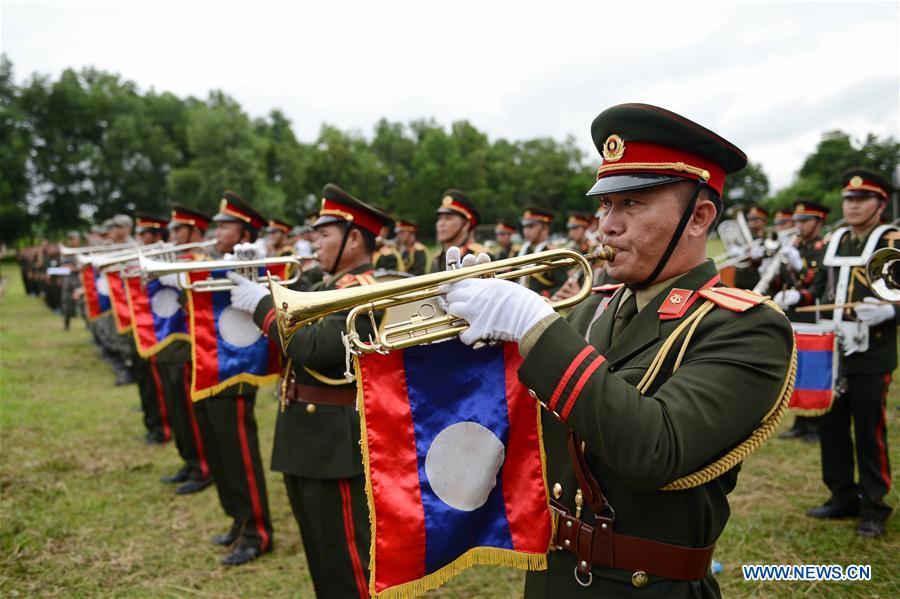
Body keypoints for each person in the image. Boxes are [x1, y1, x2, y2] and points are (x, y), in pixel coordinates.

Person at [444, 103, 794, 597]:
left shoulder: (745, 326)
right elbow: (529, 429)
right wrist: (471, 338)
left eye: (632, 204)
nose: (607, 225)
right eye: (605, 205)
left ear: (698, 217)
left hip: (647, 585)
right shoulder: (595, 308)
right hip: (552, 574)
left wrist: (532, 322)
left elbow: (655, 449)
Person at [228, 183, 392, 598]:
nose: (313, 242)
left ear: (354, 239)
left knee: (345, 561)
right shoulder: (325, 283)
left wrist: (261, 306)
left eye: (324, 235)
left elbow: (316, 350)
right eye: (314, 234)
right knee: (321, 555)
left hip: (332, 442)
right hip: (304, 435)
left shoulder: (361, 288)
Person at [805, 168, 897, 539]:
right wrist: (801, 296)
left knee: (868, 428)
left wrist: (892, 310)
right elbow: (817, 288)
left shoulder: (892, 239)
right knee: (830, 423)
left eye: (862, 199)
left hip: (871, 351)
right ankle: (842, 494)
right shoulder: (835, 239)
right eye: (849, 198)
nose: (853, 205)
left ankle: (874, 505)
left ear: (881, 203)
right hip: (832, 345)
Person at [191, 191, 274, 565]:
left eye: (226, 224)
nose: (217, 229)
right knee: (220, 449)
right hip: (212, 362)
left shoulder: (254, 262)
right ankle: (239, 520)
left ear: (244, 233)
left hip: (237, 365)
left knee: (239, 453)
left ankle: (257, 532)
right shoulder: (211, 261)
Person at [155, 205, 214, 495]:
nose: (172, 234)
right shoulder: (178, 259)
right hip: (171, 344)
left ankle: (202, 465)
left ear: (195, 230)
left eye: (178, 229)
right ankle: (189, 461)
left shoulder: (204, 259)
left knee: (191, 413)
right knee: (177, 409)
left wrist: (178, 279)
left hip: (191, 346)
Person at [772, 200, 830, 442]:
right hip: (794, 313)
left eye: (805, 220)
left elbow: (816, 285)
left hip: (813, 314)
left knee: (815, 370)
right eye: (797, 220)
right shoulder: (794, 244)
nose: (799, 225)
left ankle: (815, 424)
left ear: (818, 222)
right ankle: (800, 422)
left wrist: (799, 269)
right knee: (798, 369)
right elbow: (783, 280)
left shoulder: (822, 248)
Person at [429, 189, 489, 273]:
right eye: (439, 219)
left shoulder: (481, 256)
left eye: (448, 218)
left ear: (466, 225)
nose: (441, 224)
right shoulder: (437, 259)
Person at [517, 206, 567, 297]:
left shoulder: (554, 254)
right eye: (524, 226)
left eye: (531, 226)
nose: (526, 231)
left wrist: (546, 295)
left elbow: (563, 284)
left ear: (545, 228)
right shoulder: (523, 251)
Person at [733, 206, 767, 290]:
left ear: (764, 221)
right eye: (750, 219)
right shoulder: (741, 238)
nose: (751, 222)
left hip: (757, 283)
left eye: (755, 219)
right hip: (740, 281)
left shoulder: (767, 238)